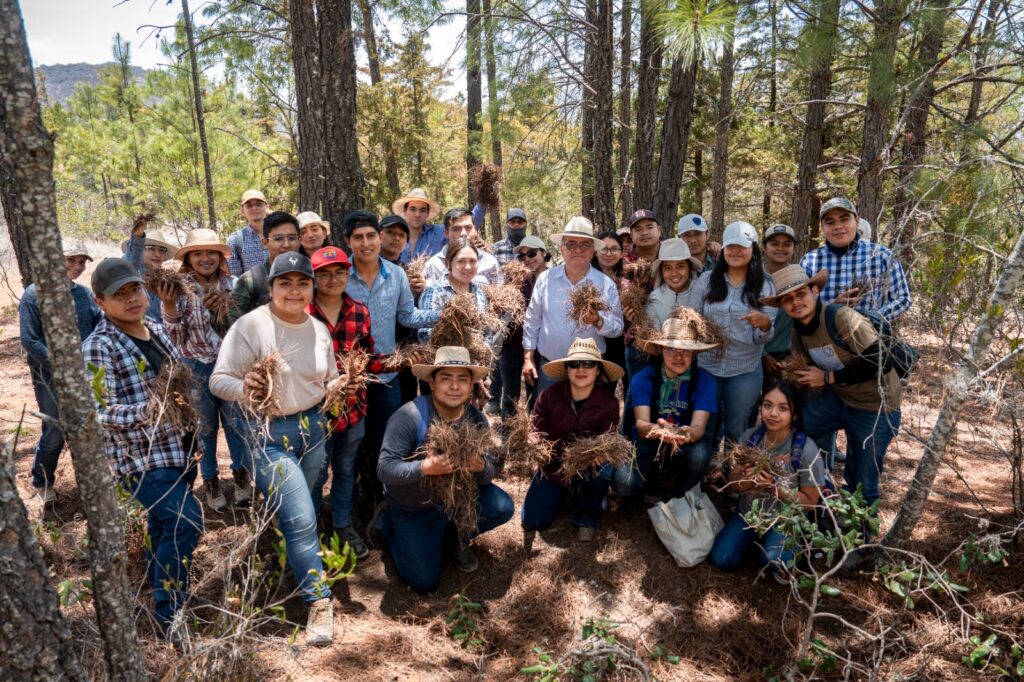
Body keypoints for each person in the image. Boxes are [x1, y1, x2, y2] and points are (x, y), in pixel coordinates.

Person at [210, 252, 338, 646]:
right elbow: (219, 380)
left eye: (302, 283)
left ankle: (290, 561)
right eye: (286, 283)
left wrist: (337, 387)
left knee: (310, 505)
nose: (295, 291)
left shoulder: (318, 329)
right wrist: (245, 389)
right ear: (271, 288)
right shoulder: (251, 326)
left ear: (311, 288)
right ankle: (319, 601)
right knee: (300, 516)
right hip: (267, 432)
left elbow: (328, 376)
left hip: (314, 426)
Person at [82, 258, 202, 640]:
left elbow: (177, 381)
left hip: (178, 450)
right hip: (141, 460)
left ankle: (156, 594)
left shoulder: (152, 328)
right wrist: (152, 412)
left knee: (164, 526)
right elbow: (100, 413)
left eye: (134, 289)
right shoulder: (99, 346)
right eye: (119, 294)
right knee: (186, 523)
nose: (131, 299)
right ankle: (171, 616)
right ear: (100, 302)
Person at [762, 265, 902, 570]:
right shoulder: (800, 330)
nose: (796, 302)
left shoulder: (841, 317)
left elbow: (880, 358)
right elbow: (803, 372)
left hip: (876, 405)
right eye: (788, 299)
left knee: (862, 475)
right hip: (841, 398)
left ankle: (862, 544)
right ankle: (818, 494)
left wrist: (827, 379)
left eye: (801, 294)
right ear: (783, 306)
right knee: (805, 424)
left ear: (815, 291)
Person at [372, 347, 515, 591]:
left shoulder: (476, 419)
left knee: (502, 507)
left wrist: (480, 467)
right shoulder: (410, 416)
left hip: (457, 504)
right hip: (414, 507)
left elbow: (489, 473)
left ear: (472, 385)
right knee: (424, 582)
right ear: (431, 382)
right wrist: (424, 468)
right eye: (446, 378)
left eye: (462, 379)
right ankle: (387, 526)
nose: (454, 386)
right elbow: (385, 469)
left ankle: (454, 537)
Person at [344, 210, 440, 502]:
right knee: (352, 442)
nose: (366, 243)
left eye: (371, 236)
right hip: (348, 379)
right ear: (348, 241)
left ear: (380, 237)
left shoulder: (396, 274)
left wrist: (443, 313)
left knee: (388, 440)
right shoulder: (338, 275)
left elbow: (408, 316)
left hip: (386, 375)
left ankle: (387, 499)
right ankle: (355, 497)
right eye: (358, 238)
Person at [157, 229, 251, 511]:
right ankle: (210, 480)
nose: (205, 258)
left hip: (232, 365)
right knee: (205, 429)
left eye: (211, 252)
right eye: (197, 253)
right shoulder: (179, 290)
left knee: (237, 424)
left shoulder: (235, 285)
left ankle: (241, 475)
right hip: (196, 365)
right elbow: (174, 336)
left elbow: (246, 328)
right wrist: (168, 304)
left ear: (221, 257)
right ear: (188, 259)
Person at [307, 246, 386, 560]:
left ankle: (342, 523)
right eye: (324, 274)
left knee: (345, 468)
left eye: (339, 272)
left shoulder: (358, 311)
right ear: (313, 277)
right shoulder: (303, 314)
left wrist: (402, 361)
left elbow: (367, 359)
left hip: (354, 408)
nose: (332, 279)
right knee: (315, 472)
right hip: (315, 410)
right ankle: (309, 528)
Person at [707, 381, 826, 581]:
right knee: (721, 559)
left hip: (785, 519)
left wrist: (774, 488)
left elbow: (810, 502)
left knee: (774, 560)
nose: (773, 413)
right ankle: (758, 540)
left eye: (783, 408)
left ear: (794, 414)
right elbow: (734, 483)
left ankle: (792, 546)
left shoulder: (805, 450)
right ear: (760, 407)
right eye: (767, 405)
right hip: (748, 514)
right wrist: (751, 481)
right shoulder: (750, 438)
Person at [20, 244, 103, 502]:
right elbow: (30, 340)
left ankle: (92, 484)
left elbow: (100, 325)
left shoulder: (85, 295)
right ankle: (42, 482)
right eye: (71, 260)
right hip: (49, 376)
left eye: (82, 262)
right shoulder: (33, 295)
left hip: (86, 375)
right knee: (55, 430)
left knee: (91, 428)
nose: (77, 267)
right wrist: (64, 365)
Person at [521, 339, 622, 542]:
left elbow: (608, 440)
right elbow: (535, 430)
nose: (581, 369)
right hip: (554, 466)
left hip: (588, 467)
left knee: (601, 473)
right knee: (533, 521)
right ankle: (562, 492)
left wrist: (599, 455)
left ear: (599, 370)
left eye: (588, 364)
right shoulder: (548, 396)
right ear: (567, 369)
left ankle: (587, 516)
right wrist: (535, 445)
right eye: (574, 364)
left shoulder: (609, 404)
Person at [687, 221, 776, 446]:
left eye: (742, 246)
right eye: (730, 246)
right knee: (706, 424)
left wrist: (764, 325)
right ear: (723, 249)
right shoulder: (707, 281)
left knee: (736, 428)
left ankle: (732, 474)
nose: (735, 251)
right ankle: (704, 472)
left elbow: (762, 339)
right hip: (707, 365)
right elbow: (690, 316)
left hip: (744, 368)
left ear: (753, 249)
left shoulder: (765, 287)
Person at [613, 318, 719, 502]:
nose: (679, 356)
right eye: (671, 349)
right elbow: (641, 425)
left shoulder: (705, 380)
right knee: (624, 484)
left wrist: (686, 433)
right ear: (661, 351)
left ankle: (677, 493)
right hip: (648, 438)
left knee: (699, 456)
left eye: (685, 350)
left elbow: (698, 428)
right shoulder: (644, 378)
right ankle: (648, 483)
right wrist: (656, 429)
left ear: (693, 353)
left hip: (685, 441)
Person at [522, 217, 624, 395]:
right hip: (550, 367)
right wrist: (528, 358)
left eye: (585, 244)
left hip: (590, 370)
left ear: (593, 250)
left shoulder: (605, 285)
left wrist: (598, 321)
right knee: (549, 419)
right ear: (562, 249)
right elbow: (532, 321)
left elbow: (617, 328)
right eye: (570, 244)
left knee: (587, 420)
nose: (577, 249)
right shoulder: (545, 280)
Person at [800, 197, 911, 320]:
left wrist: (870, 321)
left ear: (857, 222)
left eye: (844, 219)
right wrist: (831, 309)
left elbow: (902, 299)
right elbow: (800, 304)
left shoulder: (882, 255)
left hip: (871, 336)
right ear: (822, 227)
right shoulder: (810, 262)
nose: (838, 226)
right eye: (830, 222)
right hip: (823, 335)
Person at [499, 236, 549, 418]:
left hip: (540, 346)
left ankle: (535, 435)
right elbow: (501, 309)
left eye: (532, 253)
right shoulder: (513, 279)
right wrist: (512, 288)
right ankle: (508, 434)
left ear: (544, 253)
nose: (527, 259)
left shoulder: (554, 279)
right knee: (510, 394)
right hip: (512, 344)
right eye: (521, 256)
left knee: (536, 394)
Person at [230, 210, 301, 322]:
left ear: (299, 241)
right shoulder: (251, 281)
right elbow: (234, 326)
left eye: (292, 238)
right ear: (265, 243)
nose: (286, 245)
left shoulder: (313, 274)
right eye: (278, 239)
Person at [417, 239, 491, 343]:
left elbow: (487, 334)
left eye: (473, 261)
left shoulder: (479, 294)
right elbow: (425, 334)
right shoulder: (435, 292)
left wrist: (482, 349)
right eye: (461, 261)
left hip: (475, 358)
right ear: (448, 263)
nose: (468, 267)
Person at [422, 208, 502, 286]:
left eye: (468, 228)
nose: (463, 233)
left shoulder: (490, 263)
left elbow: (500, 294)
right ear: (446, 233)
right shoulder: (435, 265)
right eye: (456, 229)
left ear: (475, 230)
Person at [122, 217, 178, 320]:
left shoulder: (168, 280)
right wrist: (137, 238)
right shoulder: (134, 276)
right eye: (151, 248)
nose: (157, 254)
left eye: (162, 250)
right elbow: (129, 264)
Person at [592, 230, 626, 390]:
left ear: (621, 253)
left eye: (614, 249)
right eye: (604, 248)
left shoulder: (629, 277)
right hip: (595, 344)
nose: (608, 253)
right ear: (596, 251)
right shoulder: (586, 278)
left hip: (624, 343)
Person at [645, 238, 702, 329]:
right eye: (668, 268)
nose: (674, 273)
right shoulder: (655, 299)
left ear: (689, 267)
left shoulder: (703, 293)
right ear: (661, 271)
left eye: (680, 266)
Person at [762, 224, 797, 360]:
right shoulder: (753, 276)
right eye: (774, 244)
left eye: (787, 244)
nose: (780, 248)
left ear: (793, 248)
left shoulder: (799, 278)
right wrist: (763, 355)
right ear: (764, 247)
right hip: (752, 354)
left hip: (787, 355)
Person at [394, 188, 446, 263]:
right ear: (405, 211)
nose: (417, 215)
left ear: (427, 213)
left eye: (422, 210)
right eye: (412, 209)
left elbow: (458, 224)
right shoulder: (394, 236)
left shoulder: (438, 233)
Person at [227, 189, 271, 276]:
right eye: (249, 206)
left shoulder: (281, 235)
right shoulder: (235, 240)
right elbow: (234, 278)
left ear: (267, 207)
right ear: (242, 211)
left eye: (259, 204)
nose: (254, 208)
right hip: (252, 289)